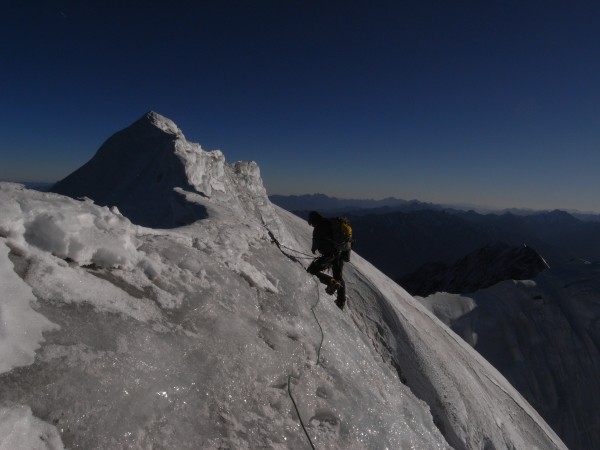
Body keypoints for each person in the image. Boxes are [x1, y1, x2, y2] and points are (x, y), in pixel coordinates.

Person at [306, 211, 351, 310]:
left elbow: (316, 243)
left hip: (329, 256)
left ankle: (330, 282)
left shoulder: (318, 227)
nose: (311, 224)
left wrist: (314, 249)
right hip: (339, 254)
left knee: (312, 270)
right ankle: (341, 301)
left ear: (314, 220)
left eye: (311, 222)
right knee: (338, 277)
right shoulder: (330, 222)